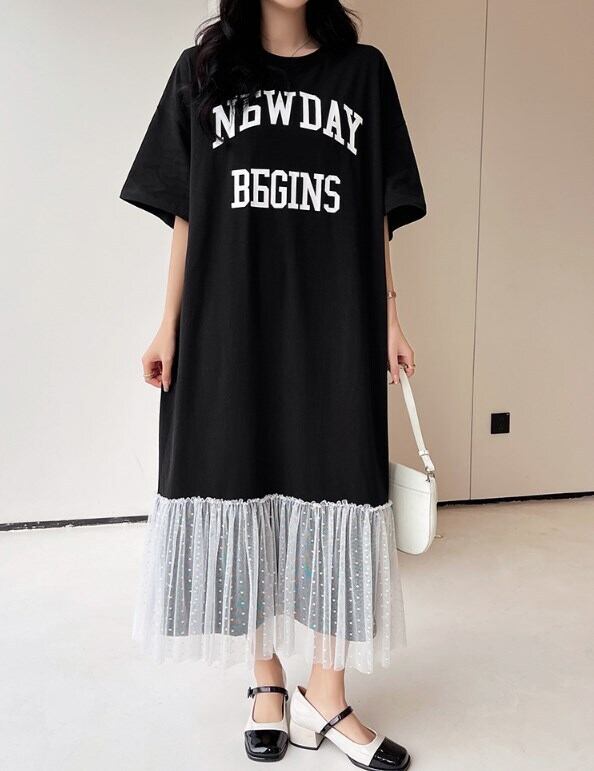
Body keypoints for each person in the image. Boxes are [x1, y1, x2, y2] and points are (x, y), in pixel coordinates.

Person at [120, 1, 426, 768]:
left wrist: (390, 315)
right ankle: (266, 681)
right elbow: (187, 210)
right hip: (231, 318)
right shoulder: (202, 74)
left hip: (336, 319)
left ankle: (328, 689)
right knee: (242, 478)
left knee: (339, 483)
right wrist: (168, 323)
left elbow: (379, 212)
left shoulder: (362, 74)